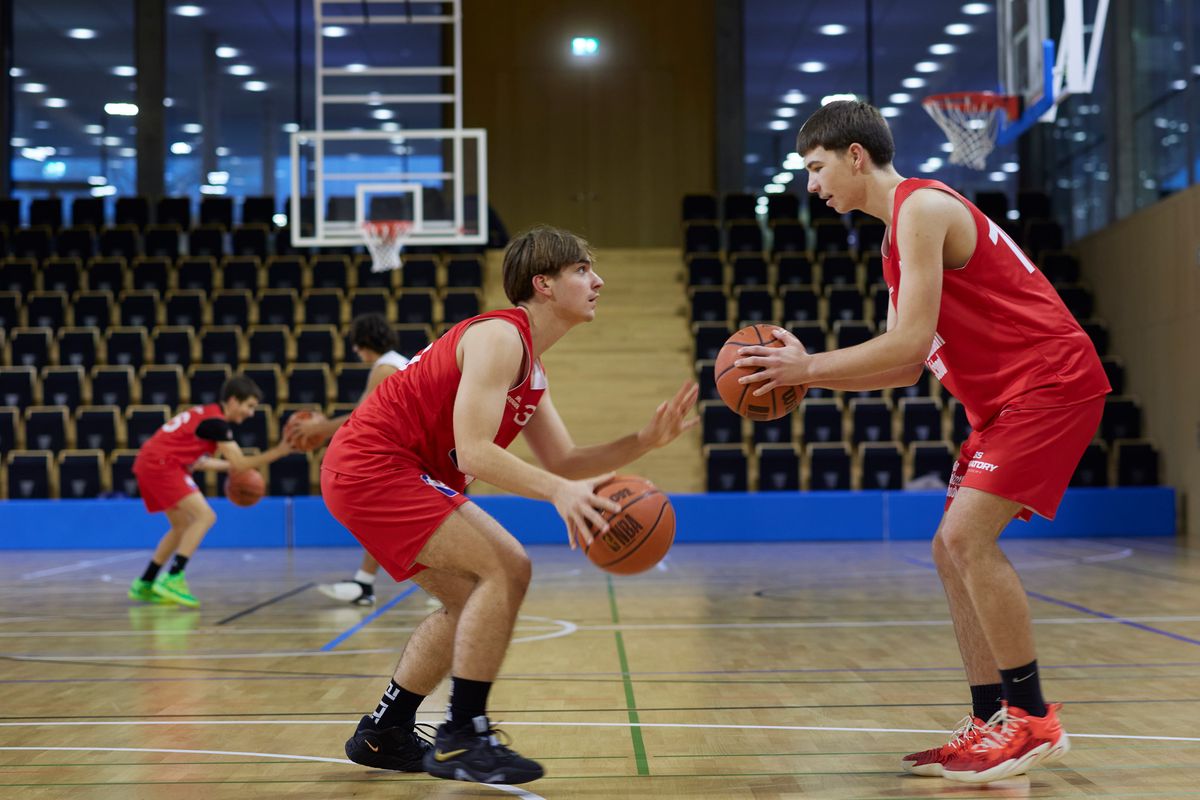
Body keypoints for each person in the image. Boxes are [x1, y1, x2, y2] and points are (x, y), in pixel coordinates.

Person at [736, 101, 1109, 784]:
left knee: (968, 538)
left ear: (855, 155)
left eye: (816, 169)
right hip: (1001, 403)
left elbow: (906, 343)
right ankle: (990, 715)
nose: (813, 186)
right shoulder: (895, 238)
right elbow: (906, 366)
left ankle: (1030, 719)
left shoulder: (923, 208)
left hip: (1049, 382)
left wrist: (807, 366)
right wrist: (809, 380)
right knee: (947, 549)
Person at [321, 225, 698, 785]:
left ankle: (386, 728)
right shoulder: (500, 337)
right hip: (374, 466)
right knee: (508, 565)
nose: (598, 280)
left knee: (471, 596)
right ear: (543, 284)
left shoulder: (532, 367)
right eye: (582, 271)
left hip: (386, 473)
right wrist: (558, 493)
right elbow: (475, 451)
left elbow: (566, 459)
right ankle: (461, 736)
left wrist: (642, 442)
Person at [128, 375, 294, 608]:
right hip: (163, 464)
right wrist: (280, 451)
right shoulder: (217, 423)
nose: (251, 413)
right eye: (249, 406)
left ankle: (145, 582)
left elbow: (202, 463)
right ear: (234, 400)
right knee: (205, 516)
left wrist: (231, 468)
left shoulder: (205, 415)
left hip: (151, 462)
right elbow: (240, 463)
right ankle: (173, 578)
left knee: (181, 526)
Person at [287, 312, 411, 606]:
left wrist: (318, 428)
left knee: (386, 521)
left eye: (357, 344)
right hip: (407, 450)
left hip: (405, 454)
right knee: (387, 523)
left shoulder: (385, 368)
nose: (355, 351)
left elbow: (359, 419)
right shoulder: (398, 361)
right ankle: (364, 584)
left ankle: (369, 584)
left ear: (367, 342)